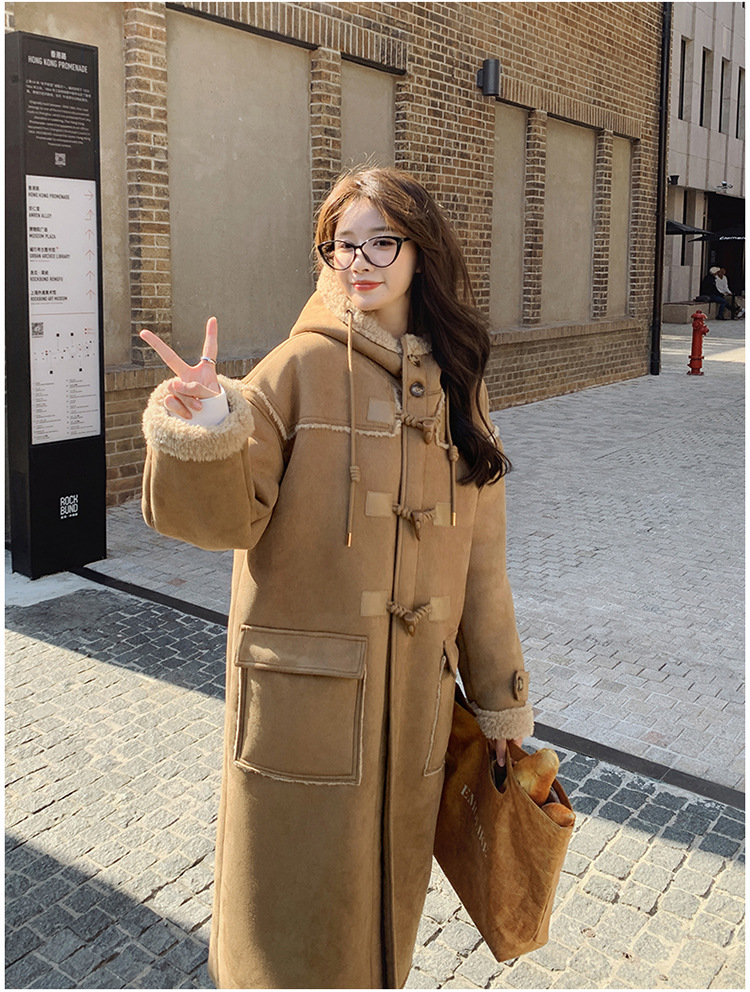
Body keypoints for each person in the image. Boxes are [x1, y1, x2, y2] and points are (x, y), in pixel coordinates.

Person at [139, 167, 533, 990]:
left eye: (381, 240)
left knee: (384, 929)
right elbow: (223, 519)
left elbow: (483, 566)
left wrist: (500, 704)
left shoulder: (458, 387)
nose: (360, 259)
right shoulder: (296, 368)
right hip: (301, 716)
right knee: (289, 932)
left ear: (422, 252)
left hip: (416, 713)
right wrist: (207, 421)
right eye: (342, 243)